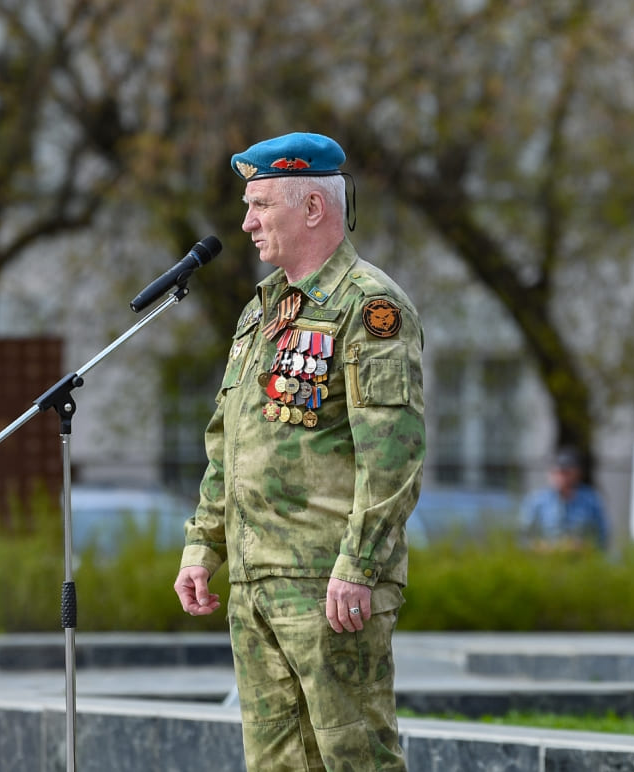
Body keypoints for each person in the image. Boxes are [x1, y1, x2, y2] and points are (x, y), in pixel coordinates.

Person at [173, 131, 425, 771]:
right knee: (276, 764)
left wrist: (359, 566)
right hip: (256, 582)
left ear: (312, 207)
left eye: (260, 205)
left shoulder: (369, 307)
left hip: (327, 583)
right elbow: (226, 443)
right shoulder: (261, 314)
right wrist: (205, 545)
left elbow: (392, 458)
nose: (245, 222)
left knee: (354, 759)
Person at [518, 446, 609, 551]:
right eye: (556, 472)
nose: (560, 477)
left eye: (565, 472)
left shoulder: (592, 500)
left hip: (581, 561)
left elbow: (603, 535)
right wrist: (540, 547)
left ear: (577, 473)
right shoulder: (536, 500)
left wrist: (585, 546)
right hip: (544, 560)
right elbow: (523, 535)